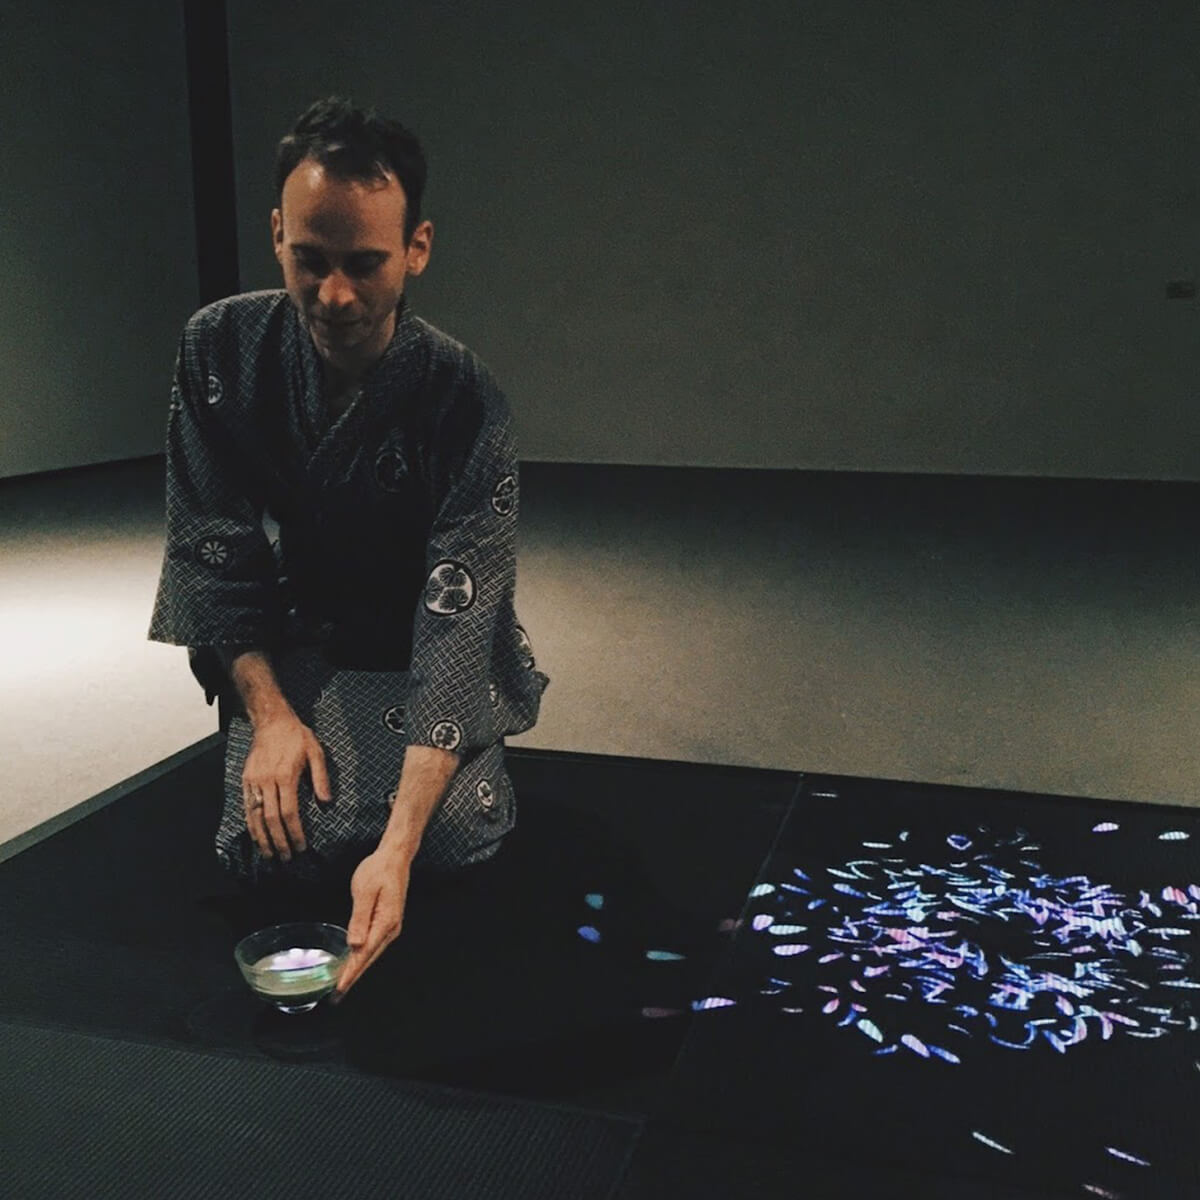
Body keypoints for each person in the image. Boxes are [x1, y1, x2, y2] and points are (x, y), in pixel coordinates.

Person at [149, 96, 549, 1000]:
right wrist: (272, 714)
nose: (334, 296)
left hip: (415, 638)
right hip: (294, 636)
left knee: (451, 842)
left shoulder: (464, 397)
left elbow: (462, 604)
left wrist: (401, 841)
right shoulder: (218, 349)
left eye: (365, 264)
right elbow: (210, 542)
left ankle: (446, 793)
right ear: (277, 234)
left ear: (418, 248)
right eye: (309, 260)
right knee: (273, 840)